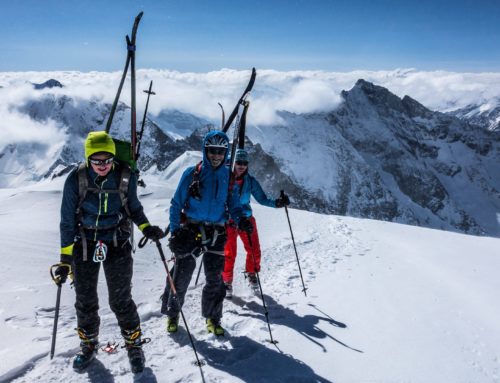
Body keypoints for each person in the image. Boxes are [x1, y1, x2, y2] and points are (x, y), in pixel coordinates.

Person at [52, 131, 165, 373]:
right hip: (85, 243)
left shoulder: (125, 177)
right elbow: (67, 221)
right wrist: (65, 259)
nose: (102, 166)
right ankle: (88, 344)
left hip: (117, 242)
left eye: (107, 160)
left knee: (120, 299)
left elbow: (133, 206)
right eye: (97, 160)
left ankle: (134, 345)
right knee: (85, 300)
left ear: (113, 158)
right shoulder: (76, 180)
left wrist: (146, 228)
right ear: (88, 159)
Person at [161, 130, 252, 336]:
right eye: (212, 150)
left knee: (215, 279)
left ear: (226, 152)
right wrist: (175, 233)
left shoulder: (229, 179)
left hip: (216, 232)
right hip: (190, 230)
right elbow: (176, 205)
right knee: (181, 275)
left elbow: (234, 206)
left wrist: (242, 220)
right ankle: (173, 314)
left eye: (221, 151)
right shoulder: (192, 174)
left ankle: (213, 318)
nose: (216, 155)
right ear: (205, 150)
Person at [222, 148, 290, 298]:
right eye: (239, 162)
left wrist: (277, 203)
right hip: (229, 221)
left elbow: (263, 199)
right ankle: (226, 282)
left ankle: (252, 274)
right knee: (229, 253)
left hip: (246, 219)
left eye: (244, 163)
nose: (241, 166)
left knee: (254, 250)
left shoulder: (249, 181)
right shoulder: (225, 178)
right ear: (233, 163)